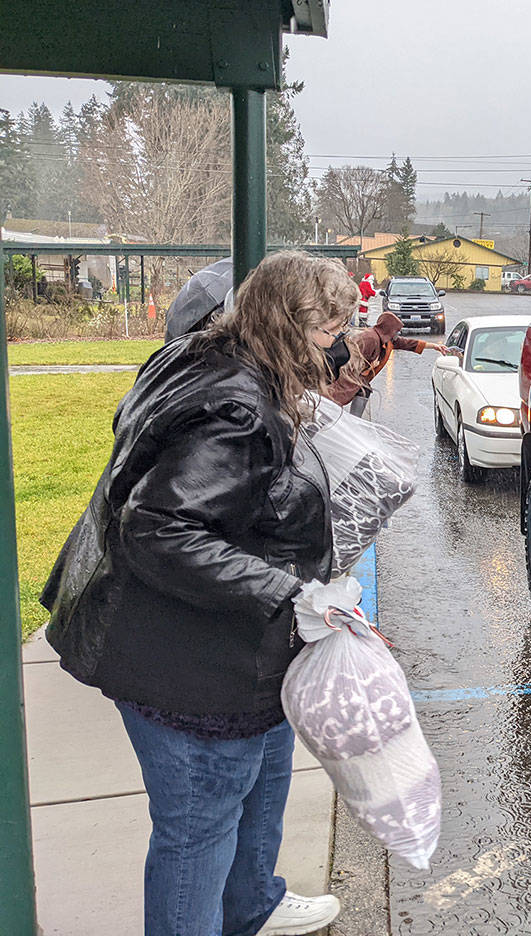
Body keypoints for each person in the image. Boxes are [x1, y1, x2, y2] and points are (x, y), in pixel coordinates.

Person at [40, 250, 355, 936]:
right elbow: (158, 529)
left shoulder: (207, 358)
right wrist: (285, 590)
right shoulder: (238, 409)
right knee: (197, 833)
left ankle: (250, 907)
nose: (338, 343)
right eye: (330, 329)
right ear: (288, 327)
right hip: (191, 670)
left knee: (260, 785)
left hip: (222, 649)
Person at [324, 310, 446, 415]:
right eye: (396, 331)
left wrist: (434, 346)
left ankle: (354, 422)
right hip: (346, 378)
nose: (398, 334)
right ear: (388, 329)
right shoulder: (370, 338)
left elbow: (409, 344)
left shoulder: (387, 340)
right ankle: (314, 430)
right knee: (331, 407)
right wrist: (367, 368)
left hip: (357, 380)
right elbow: (352, 358)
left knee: (363, 391)